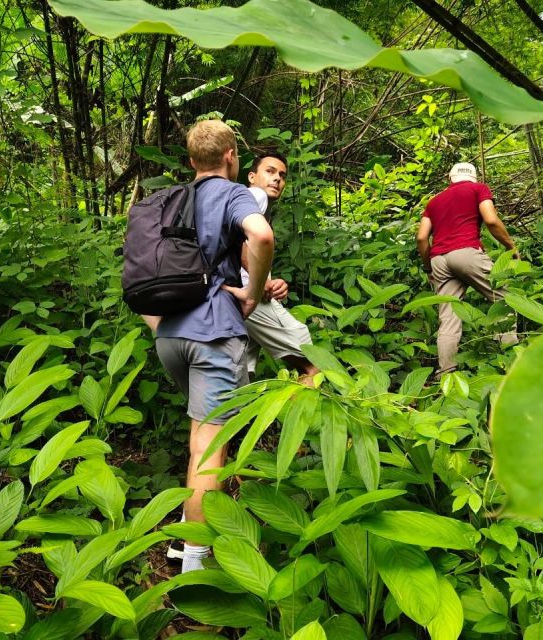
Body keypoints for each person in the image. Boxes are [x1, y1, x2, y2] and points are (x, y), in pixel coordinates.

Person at [142, 120, 274, 572]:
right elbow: (261, 235)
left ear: (191, 158)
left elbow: (138, 269)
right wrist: (253, 293)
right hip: (214, 333)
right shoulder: (232, 193)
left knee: (200, 438)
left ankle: (182, 539)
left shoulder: (169, 199)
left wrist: (157, 323)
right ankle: (195, 570)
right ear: (231, 155)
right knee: (211, 447)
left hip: (170, 336)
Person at [415, 162, 519, 378]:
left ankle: (446, 375)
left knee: (449, 317)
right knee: (505, 299)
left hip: (439, 260)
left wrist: (429, 268)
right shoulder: (478, 189)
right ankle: (511, 366)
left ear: (449, 178)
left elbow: (422, 237)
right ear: (473, 177)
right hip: (466, 253)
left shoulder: (434, 202)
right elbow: (491, 219)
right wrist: (511, 247)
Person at [230, 153, 319, 383]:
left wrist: (270, 279)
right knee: (314, 364)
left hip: (233, 297)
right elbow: (237, 242)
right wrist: (263, 283)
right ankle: (303, 417)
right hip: (250, 295)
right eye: (270, 171)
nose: (277, 178)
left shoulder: (254, 207)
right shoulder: (254, 196)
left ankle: (248, 418)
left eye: (282, 175)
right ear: (251, 176)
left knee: (242, 375)